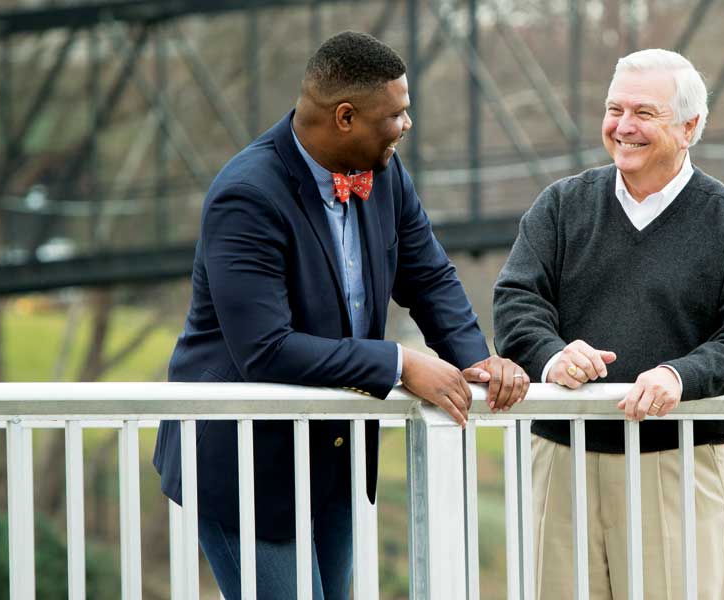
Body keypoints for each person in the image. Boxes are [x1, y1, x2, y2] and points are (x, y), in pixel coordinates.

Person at [153, 31, 529, 600]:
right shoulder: (247, 196)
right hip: (245, 470)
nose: (407, 125)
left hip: (334, 459)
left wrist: (478, 361)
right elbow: (266, 349)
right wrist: (400, 363)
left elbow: (428, 276)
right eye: (397, 114)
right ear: (346, 116)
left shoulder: (385, 173)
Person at [492, 48, 724, 600]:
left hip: (678, 460)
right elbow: (515, 301)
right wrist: (552, 356)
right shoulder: (560, 206)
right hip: (563, 457)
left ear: (690, 126)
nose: (623, 127)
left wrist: (680, 375)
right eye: (614, 109)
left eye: (644, 113)